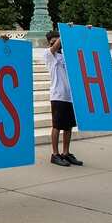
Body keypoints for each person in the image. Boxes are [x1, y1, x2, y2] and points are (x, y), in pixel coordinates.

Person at [43, 31, 82, 167]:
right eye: (54, 41)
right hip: (58, 95)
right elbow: (54, 47)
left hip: (70, 96)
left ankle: (66, 152)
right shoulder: (49, 54)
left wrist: (86, 32)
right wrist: (65, 33)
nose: (57, 43)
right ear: (50, 42)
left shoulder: (66, 55)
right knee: (57, 126)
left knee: (69, 126)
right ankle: (55, 154)